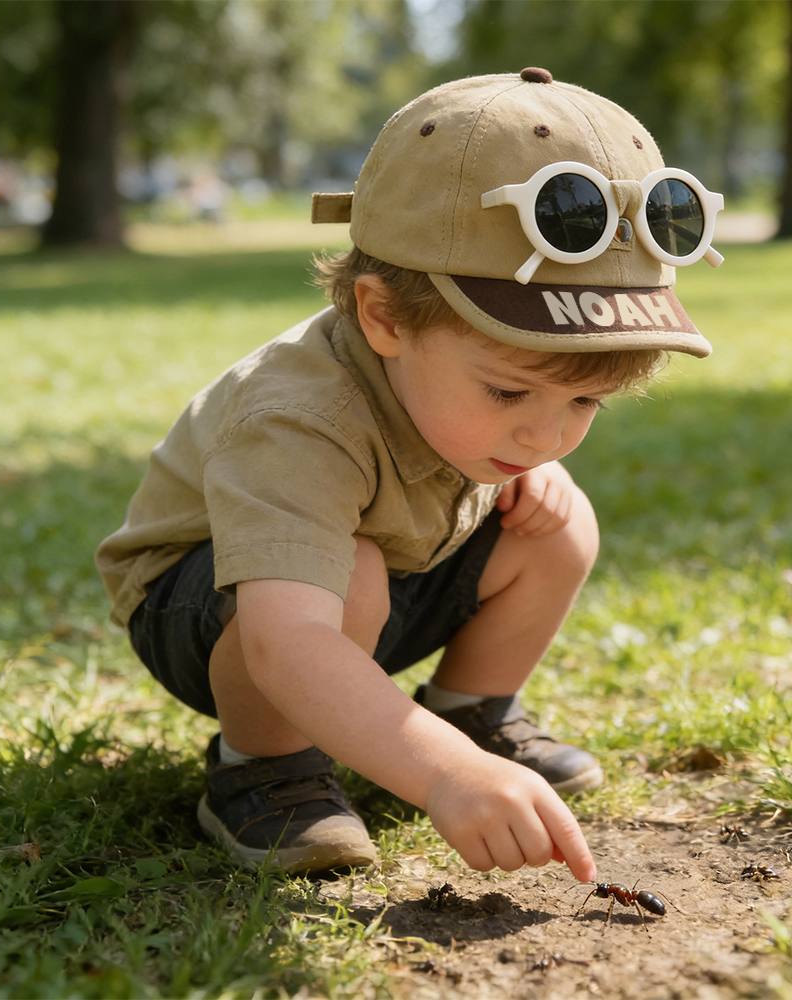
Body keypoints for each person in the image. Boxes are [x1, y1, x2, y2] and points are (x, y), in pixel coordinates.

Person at [96, 68, 723, 881]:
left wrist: (513, 475)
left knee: (559, 520)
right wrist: (442, 777)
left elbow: (504, 435)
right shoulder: (297, 419)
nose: (545, 432)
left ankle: (472, 712)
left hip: (384, 572)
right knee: (348, 571)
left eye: (588, 402)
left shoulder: (457, 400)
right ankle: (260, 766)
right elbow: (289, 640)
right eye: (509, 390)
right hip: (215, 608)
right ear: (383, 316)